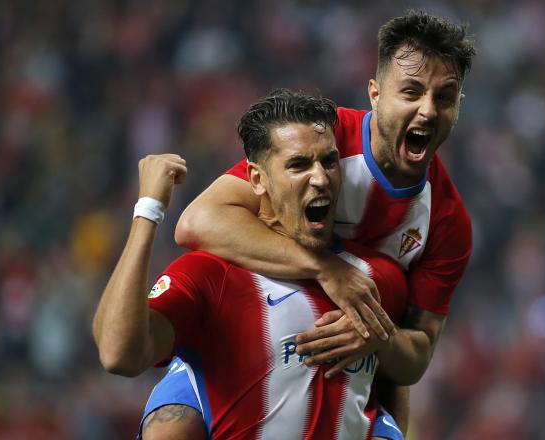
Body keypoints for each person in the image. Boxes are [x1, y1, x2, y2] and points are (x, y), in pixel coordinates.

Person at [172, 9, 476, 434]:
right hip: (244, 343)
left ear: (458, 106)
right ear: (375, 93)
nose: (427, 110)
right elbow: (197, 222)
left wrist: (380, 338)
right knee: (172, 424)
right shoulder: (320, 141)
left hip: (344, 373)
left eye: (444, 97)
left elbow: (417, 354)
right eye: (411, 92)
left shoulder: (448, 223)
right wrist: (328, 269)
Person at [94, 89, 417, 439]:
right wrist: (147, 212)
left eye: (328, 161)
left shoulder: (374, 276)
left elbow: (397, 379)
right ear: (257, 179)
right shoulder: (211, 275)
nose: (321, 178)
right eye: (299, 164)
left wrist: (383, 343)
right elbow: (118, 354)